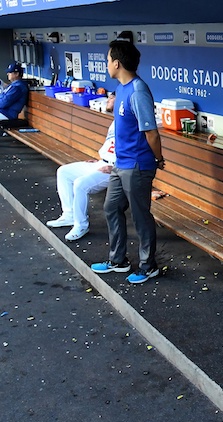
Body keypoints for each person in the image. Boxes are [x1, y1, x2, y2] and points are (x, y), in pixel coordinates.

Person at [91, 39, 165, 284]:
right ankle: (118, 260)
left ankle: (148, 265)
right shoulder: (121, 88)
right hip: (120, 164)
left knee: (141, 216)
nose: (107, 64)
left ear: (117, 63)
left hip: (137, 165)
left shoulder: (138, 90)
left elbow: (151, 132)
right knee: (111, 208)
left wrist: (158, 158)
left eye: (108, 60)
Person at [46, 94, 117, 241]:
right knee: (64, 172)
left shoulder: (131, 122)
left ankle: (81, 225)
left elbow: (136, 151)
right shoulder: (115, 121)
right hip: (102, 163)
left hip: (115, 170)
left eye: (111, 98)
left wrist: (115, 167)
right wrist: (100, 160)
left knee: (80, 184)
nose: (108, 100)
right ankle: (69, 215)